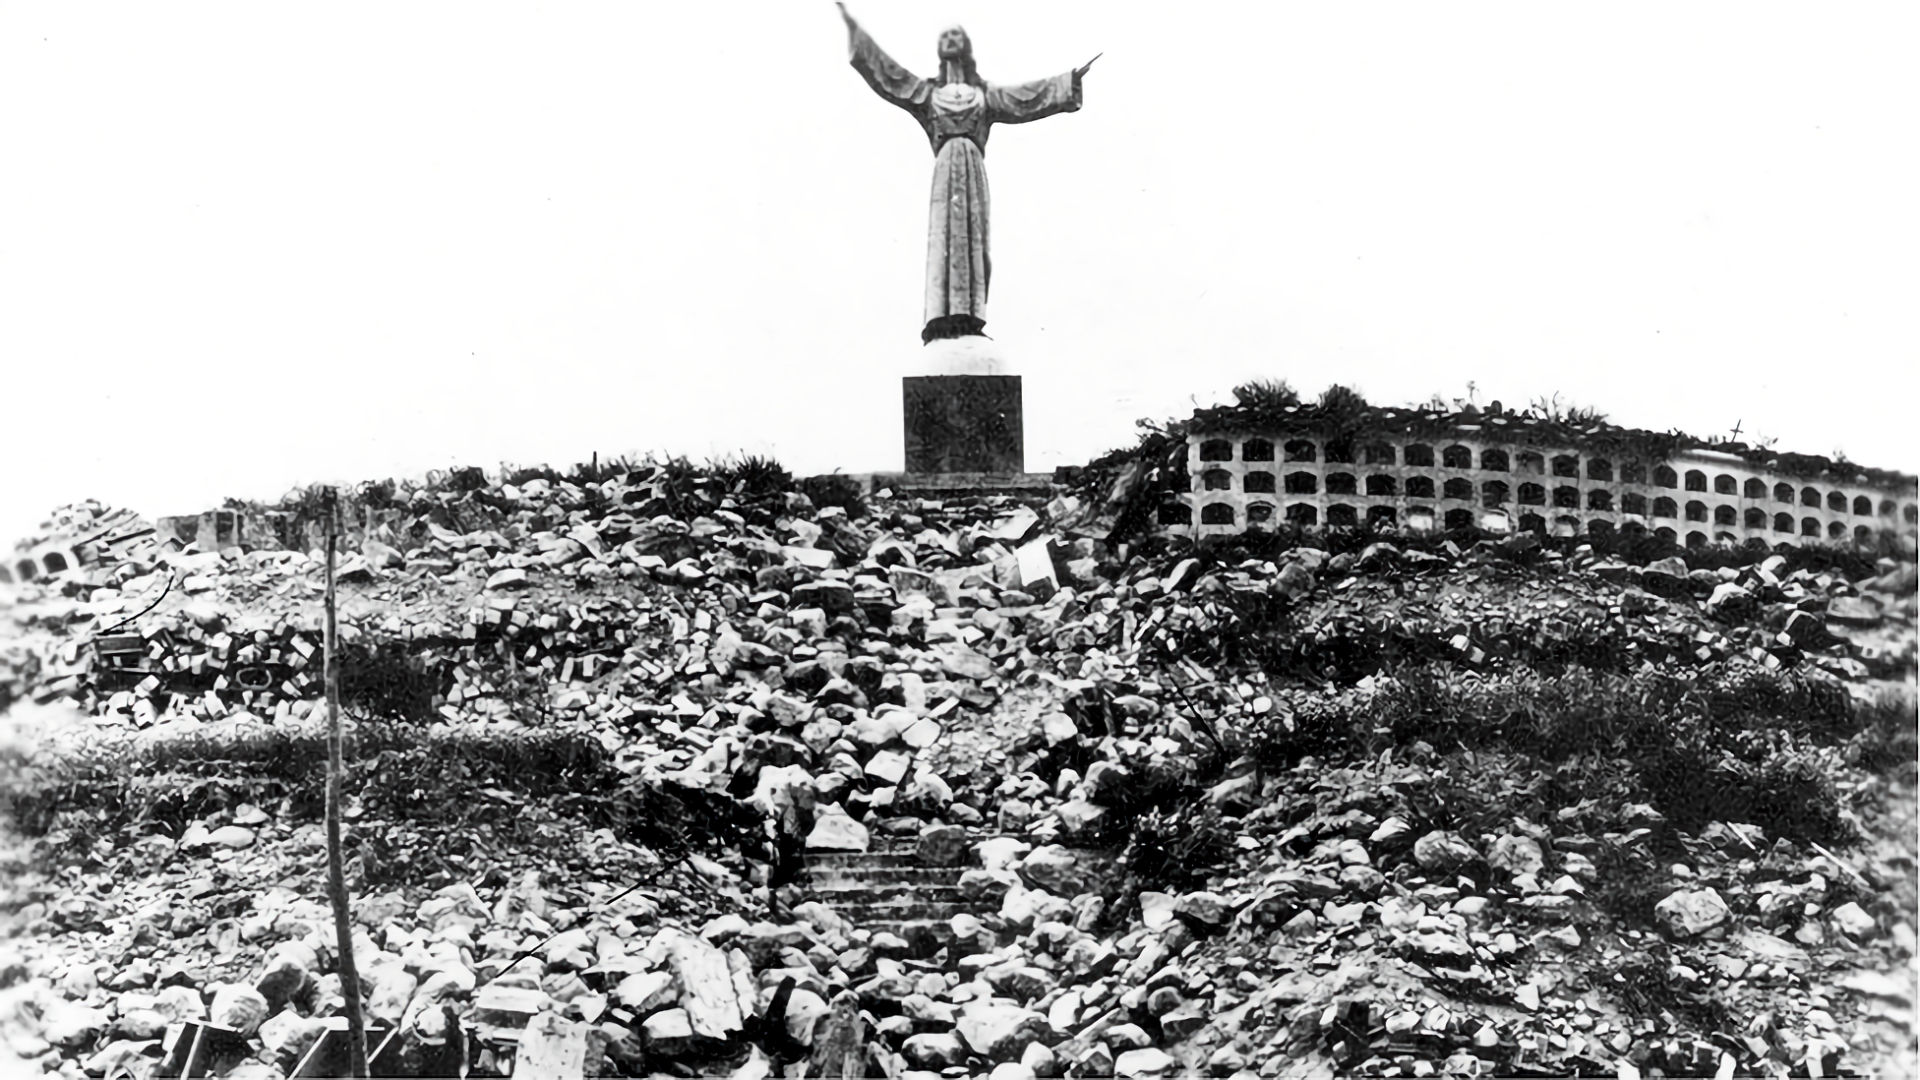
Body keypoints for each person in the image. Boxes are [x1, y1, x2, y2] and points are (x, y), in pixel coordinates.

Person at [837, 5, 1097, 343]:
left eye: (955, 34)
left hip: (972, 169)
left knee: (974, 242)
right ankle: (940, 318)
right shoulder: (927, 93)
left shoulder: (984, 94)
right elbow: (890, 74)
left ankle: (971, 317)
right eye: (944, 35)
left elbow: (1026, 97)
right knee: (944, 239)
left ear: (966, 44)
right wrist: (855, 30)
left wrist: (1068, 80)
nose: (949, 38)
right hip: (945, 171)